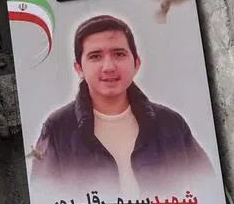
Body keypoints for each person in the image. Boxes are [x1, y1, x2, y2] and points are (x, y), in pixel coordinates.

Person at [31, 14, 213, 194]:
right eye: (95, 56)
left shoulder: (171, 125)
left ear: (136, 63)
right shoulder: (57, 129)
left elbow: (207, 190)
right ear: (79, 68)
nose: (109, 67)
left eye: (119, 54)